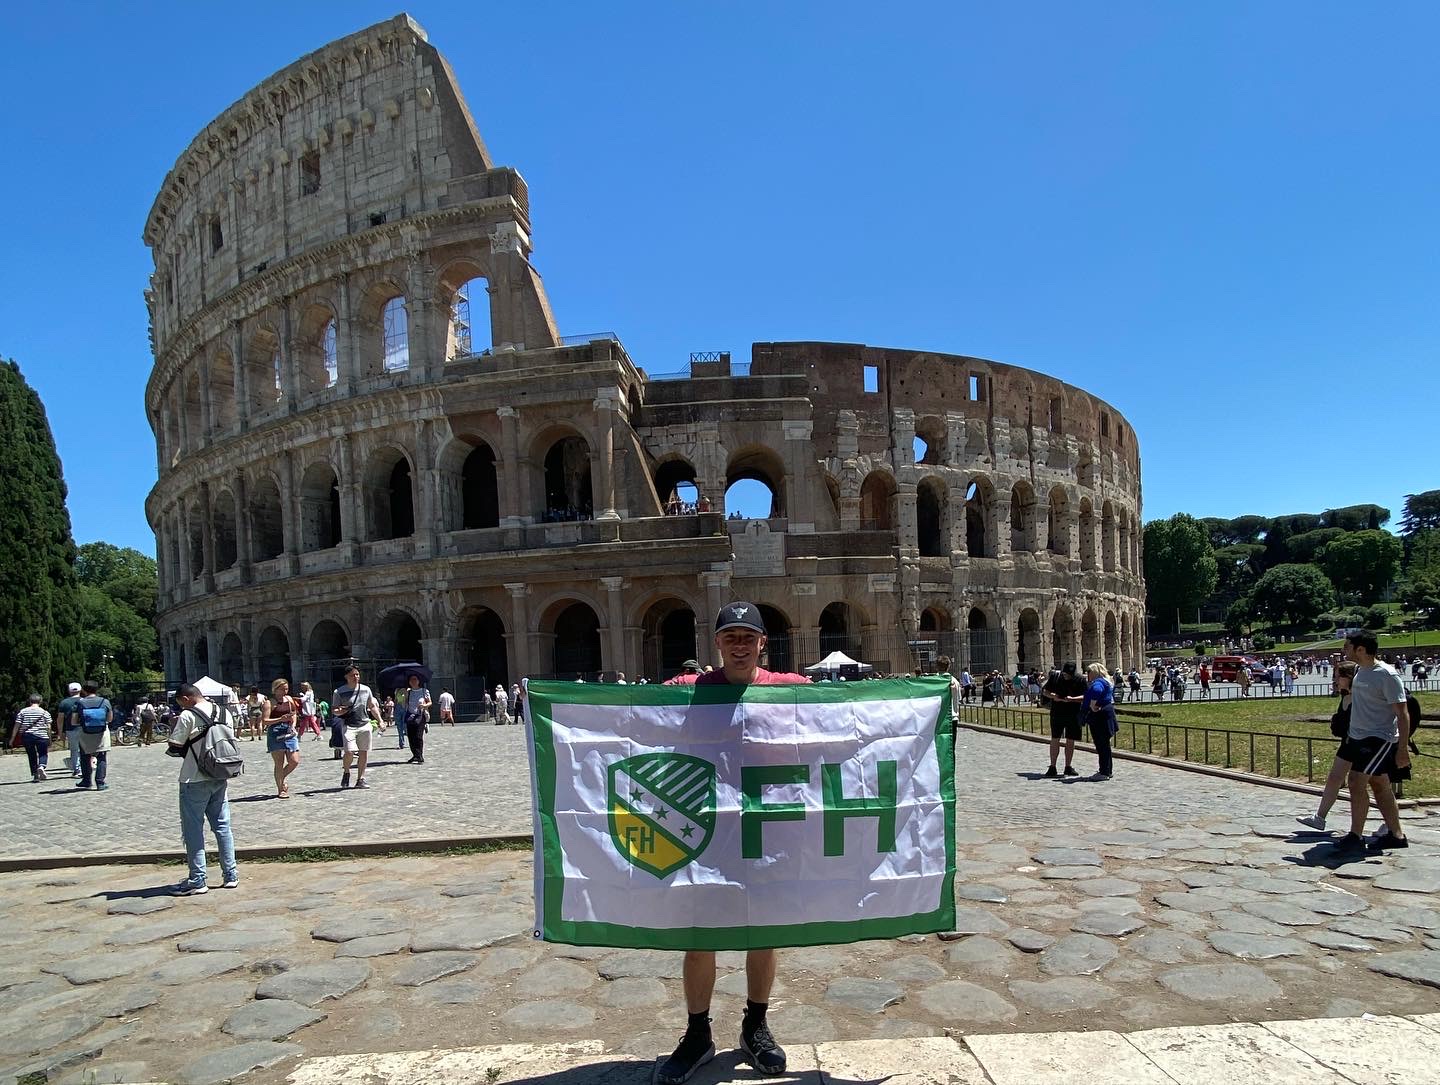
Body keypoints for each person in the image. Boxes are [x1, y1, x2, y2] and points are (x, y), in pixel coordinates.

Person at [657, 601, 807, 1084]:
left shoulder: (790, 690)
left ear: (763, 643)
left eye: (748, 636)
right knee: (700, 939)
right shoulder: (689, 689)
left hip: (766, 832)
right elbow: (633, 718)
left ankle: (755, 1024)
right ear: (717, 643)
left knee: (762, 933)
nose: (740, 644)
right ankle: (698, 1033)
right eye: (731, 636)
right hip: (706, 831)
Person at [1332, 631, 1410, 854]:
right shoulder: (1359, 671)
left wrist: (1402, 748)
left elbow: (1402, 713)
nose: (1344, 650)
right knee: (1379, 785)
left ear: (1361, 649)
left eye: (1348, 646)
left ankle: (1355, 835)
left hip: (1378, 737)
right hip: (1358, 737)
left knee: (1356, 781)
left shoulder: (1386, 674)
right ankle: (1396, 835)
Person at [168, 682, 238, 894]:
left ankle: (198, 880)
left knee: (193, 830)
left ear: (186, 698)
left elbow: (175, 745)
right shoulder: (224, 712)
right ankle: (230, 875)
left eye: (181, 703)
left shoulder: (188, 715)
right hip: (220, 773)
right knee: (223, 826)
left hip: (194, 778)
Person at [1297, 661, 1358, 831]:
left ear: (1349, 678)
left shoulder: (1362, 696)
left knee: (1375, 784)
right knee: (1334, 778)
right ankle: (1320, 818)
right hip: (1347, 744)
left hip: (1363, 745)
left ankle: (1390, 823)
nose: (1335, 680)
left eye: (1339, 676)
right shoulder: (1344, 695)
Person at [333, 666, 381, 789]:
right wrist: (340, 711)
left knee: (363, 752)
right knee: (349, 751)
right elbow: (334, 710)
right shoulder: (339, 692)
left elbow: (372, 706)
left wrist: (380, 720)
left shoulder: (366, 690)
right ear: (346, 677)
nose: (356, 677)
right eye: (353, 675)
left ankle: (361, 779)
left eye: (357, 675)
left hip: (364, 724)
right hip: (348, 725)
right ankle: (346, 771)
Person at [1042, 663, 1086, 777]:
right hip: (1057, 712)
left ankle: (1068, 766)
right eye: (1065, 674)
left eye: (1069, 675)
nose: (1067, 676)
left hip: (1074, 713)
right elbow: (1045, 691)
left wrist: (1072, 699)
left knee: (1070, 740)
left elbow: (1086, 696)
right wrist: (1054, 696)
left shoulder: (1080, 679)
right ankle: (1052, 766)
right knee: (1055, 738)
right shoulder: (1055, 677)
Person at [264, 678, 301, 798]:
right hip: (275, 732)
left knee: (294, 761)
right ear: (276, 689)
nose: (285, 691)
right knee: (279, 763)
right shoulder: (269, 702)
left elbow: (294, 713)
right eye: (282, 689)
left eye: (286, 688)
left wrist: (293, 724)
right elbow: (265, 721)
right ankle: (281, 789)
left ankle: (281, 777)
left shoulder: (289, 699)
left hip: (289, 732)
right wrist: (280, 719)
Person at [73, 680, 113, 790]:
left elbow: (74, 721)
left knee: (85, 757)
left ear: (84, 691)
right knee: (101, 757)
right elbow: (109, 719)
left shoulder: (80, 703)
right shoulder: (105, 702)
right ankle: (100, 782)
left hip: (85, 733)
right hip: (101, 732)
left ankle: (86, 781)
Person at [1081, 663, 1116, 780]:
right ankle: (1106, 770)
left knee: (1101, 744)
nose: (1087, 675)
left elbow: (1096, 691)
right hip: (1106, 712)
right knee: (1104, 745)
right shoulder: (1106, 681)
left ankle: (1104, 772)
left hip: (1100, 715)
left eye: (1088, 672)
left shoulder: (1098, 682)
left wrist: (1092, 704)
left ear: (1094, 672)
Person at [9, 694, 55, 782]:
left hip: (27, 736)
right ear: (40, 701)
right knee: (43, 753)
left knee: (31, 755)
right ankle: (41, 766)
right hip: (42, 735)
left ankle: (35, 775)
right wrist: (49, 738)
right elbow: (49, 727)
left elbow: (17, 725)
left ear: (29, 701)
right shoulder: (45, 712)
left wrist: (12, 738)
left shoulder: (22, 712)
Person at [401, 674, 431, 764]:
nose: (413, 681)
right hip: (410, 716)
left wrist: (425, 705)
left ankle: (420, 755)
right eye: (411, 680)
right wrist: (404, 696)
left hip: (420, 716)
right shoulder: (408, 692)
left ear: (418, 681)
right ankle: (415, 755)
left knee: (418, 736)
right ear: (409, 682)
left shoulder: (424, 691)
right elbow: (404, 704)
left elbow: (430, 702)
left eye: (415, 679)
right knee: (411, 737)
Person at [57, 681, 83, 777]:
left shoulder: (64, 703)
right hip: (84, 728)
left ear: (69, 691)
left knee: (74, 749)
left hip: (71, 729)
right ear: (80, 690)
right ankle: (86, 767)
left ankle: (77, 769)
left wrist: (60, 733)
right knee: (84, 749)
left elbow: (60, 719)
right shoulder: (84, 700)